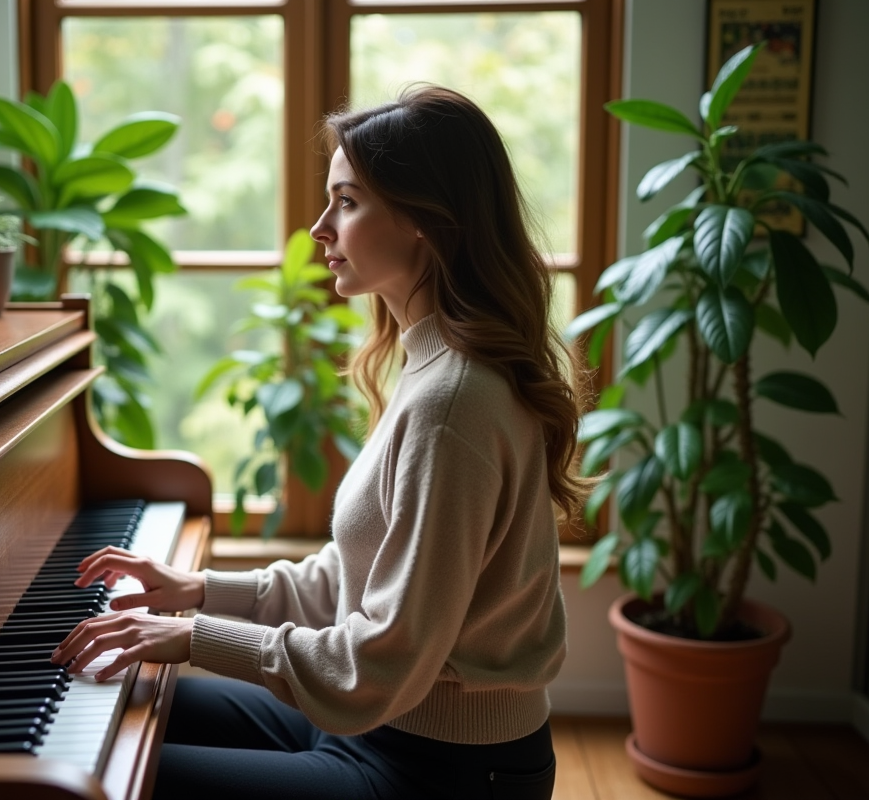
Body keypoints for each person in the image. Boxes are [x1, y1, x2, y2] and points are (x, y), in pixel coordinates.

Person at [51, 84, 587, 800]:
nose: (318, 229)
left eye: (348, 201)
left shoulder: (453, 402)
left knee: (89, 779)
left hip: (441, 769)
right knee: (115, 710)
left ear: (428, 220)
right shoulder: (434, 370)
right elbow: (360, 577)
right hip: (380, 728)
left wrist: (190, 636)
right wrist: (198, 591)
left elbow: (383, 660)